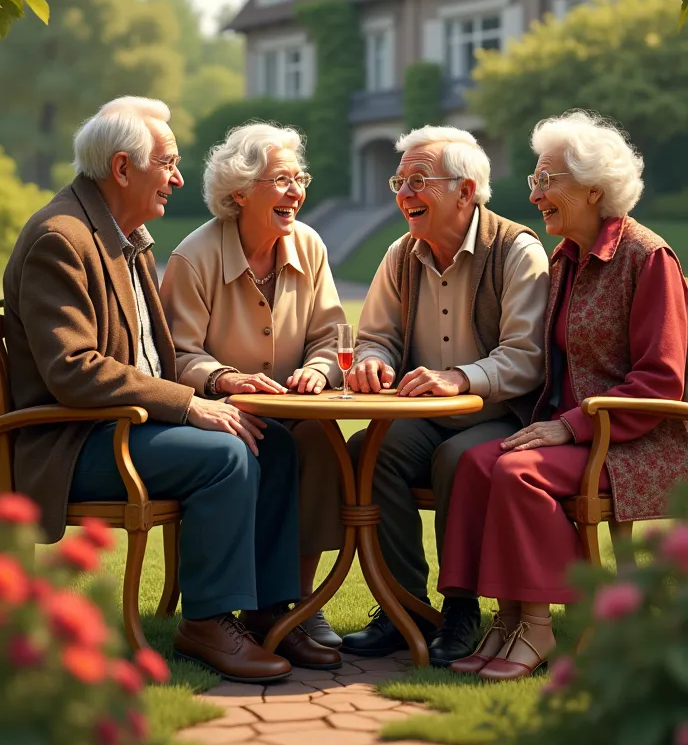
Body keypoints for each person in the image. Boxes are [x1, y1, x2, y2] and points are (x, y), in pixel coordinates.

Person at [2, 96, 333, 682]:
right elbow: (73, 368)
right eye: (169, 164)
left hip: (124, 427)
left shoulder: (122, 236)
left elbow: (161, 356)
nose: (179, 179)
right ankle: (206, 622)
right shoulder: (63, 238)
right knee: (226, 455)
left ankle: (267, 612)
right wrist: (191, 404)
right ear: (123, 169)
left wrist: (214, 392)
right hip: (74, 442)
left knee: (272, 439)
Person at [439, 109, 688, 680]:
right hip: (574, 436)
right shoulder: (566, 259)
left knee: (516, 471)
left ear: (594, 190)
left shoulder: (648, 258)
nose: (536, 195)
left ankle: (539, 626)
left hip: (635, 444)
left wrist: (569, 426)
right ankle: (505, 620)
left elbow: (663, 379)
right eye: (534, 181)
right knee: (479, 464)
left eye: (548, 181)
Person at [340, 125, 550, 666]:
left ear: (464, 190)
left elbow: (527, 357)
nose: (403, 193)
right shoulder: (401, 253)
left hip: (503, 413)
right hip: (426, 412)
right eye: (399, 180)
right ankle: (402, 607)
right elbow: (377, 336)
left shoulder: (517, 250)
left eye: (418, 180)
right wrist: (372, 363)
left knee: (457, 458)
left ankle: (461, 607)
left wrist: (461, 377)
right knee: (369, 450)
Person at [160, 122, 345, 657]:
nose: (296, 192)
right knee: (267, 444)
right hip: (222, 414)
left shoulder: (308, 245)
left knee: (319, 441)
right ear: (239, 192)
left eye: (299, 178)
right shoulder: (195, 256)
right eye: (281, 179)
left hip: (296, 407)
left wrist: (319, 369)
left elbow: (333, 335)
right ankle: (263, 611)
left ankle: (295, 604)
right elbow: (176, 354)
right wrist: (224, 378)